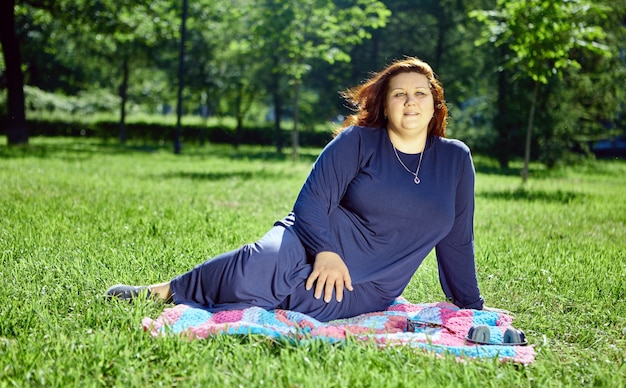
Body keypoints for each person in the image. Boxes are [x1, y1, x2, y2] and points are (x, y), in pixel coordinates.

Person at [107, 57, 485, 322]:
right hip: (310, 238)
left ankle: (261, 294)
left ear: (436, 104)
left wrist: (471, 307)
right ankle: (164, 290)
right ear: (385, 105)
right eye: (399, 94)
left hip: (369, 285)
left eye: (420, 93)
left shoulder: (455, 160)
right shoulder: (357, 141)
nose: (410, 101)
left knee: (296, 302)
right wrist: (327, 253)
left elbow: (456, 241)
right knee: (255, 269)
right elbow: (311, 203)